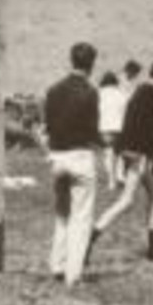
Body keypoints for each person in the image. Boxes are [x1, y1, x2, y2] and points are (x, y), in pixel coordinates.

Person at [92, 58, 153, 260]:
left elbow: (134, 125)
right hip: (139, 154)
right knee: (126, 201)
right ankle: (92, 235)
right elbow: (151, 131)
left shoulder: (140, 92)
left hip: (132, 150)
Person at [43, 42, 101, 285]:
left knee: (62, 214)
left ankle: (57, 264)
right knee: (82, 217)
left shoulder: (53, 90)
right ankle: (73, 274)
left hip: (57, 157)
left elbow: (48, 126)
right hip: (80, 157)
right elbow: (92, 129)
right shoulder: (90, 92)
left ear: (71, 60)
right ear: (92, 64)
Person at [97, 71, 128, 187]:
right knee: (119, 154)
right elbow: (126, 111)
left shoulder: (99, 94)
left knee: (108, 153)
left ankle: (111, 180)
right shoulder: (121, 94)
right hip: (120, 127)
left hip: (104, 127)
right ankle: (120, 176)